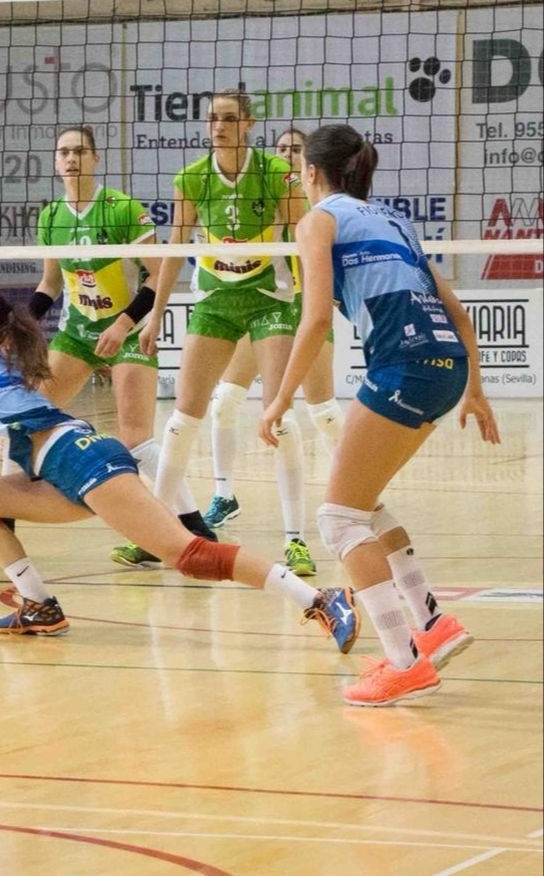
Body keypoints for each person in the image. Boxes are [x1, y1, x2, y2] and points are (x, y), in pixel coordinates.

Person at [0, 264, 359, 650]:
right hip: (54, 474)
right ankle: (40, 606)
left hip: (81, 458)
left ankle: (319, 598)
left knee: (188, 555)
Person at [258, 124, 498, 706]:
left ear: (312, 173)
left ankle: (403, 662)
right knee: (365, 502)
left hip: (403, 366)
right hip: (444, 368)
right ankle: (434, 624)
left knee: (339, 521)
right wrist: (477, 390)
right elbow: (458, 313)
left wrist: (279, 398)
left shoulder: (318, 221)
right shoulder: (395, 220)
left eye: (298, 169)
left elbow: (315, 319)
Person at [127, 89, 312, 575]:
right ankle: (156, 536)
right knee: (182, 418)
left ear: (248, 123)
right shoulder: (191, 178)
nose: (219, 126)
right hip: (214, 300)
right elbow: (173, 248)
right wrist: (156, 314)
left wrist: (313, 303)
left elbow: (305, 239)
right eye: (212, 119)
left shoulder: (277, 174)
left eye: (229, 118)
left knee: (280, 418)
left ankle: (296, 540)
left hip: (268, 297)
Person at [24, 126, 215, 556]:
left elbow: (157, 271)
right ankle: (3, 517)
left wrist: (125, 323)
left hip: (126, 329)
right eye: (64, 152)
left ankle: (195, 527)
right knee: (26, 418)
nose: (71, 159)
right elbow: (50, 283)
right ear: (56, 162)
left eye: (79, 151)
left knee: (135, 438)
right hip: (78, 332)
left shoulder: (121, 208)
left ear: (95, 159)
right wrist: (21, 324)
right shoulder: (51, 216)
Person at [203, 127, 342, 533]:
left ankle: (354, 495)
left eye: (294, 151)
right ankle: (224, 495)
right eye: (280, 149)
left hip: (307, 309)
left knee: (323, 412)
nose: (285, 156)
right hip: (266, 305)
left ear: (308, 164)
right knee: (225, 399)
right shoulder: (261, 197)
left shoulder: (321, 208)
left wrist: (328, 297)